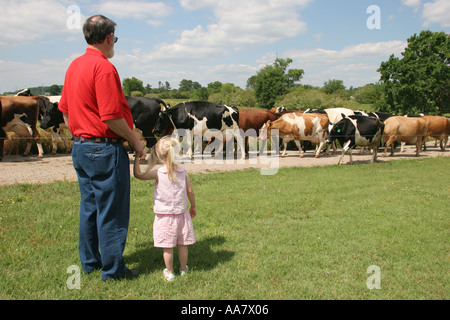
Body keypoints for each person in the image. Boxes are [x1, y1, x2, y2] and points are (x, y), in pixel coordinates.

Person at [58, 15, 146, 281]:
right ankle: (114, 270)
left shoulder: (74, 65)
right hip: (105, 149)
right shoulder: (104, 67)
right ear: (108, 38)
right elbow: (111, 116)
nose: (114, 43)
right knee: (112, 210)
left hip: (81, 148)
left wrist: (80, 132)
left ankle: (90, 263)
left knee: (90, 207)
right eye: (115, 39)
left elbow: (64, 111)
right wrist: (135, 140)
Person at [134, 136, 196, 281]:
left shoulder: (158, 173)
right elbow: (190, 191)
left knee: (167, 247)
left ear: (158, 154)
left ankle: (169, 272)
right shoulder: (182, 172)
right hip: (182, 215)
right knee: (183, 244)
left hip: (164, 217)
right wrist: (193, 206)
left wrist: (137, 158)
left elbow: (138, 175)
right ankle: (183, 269)